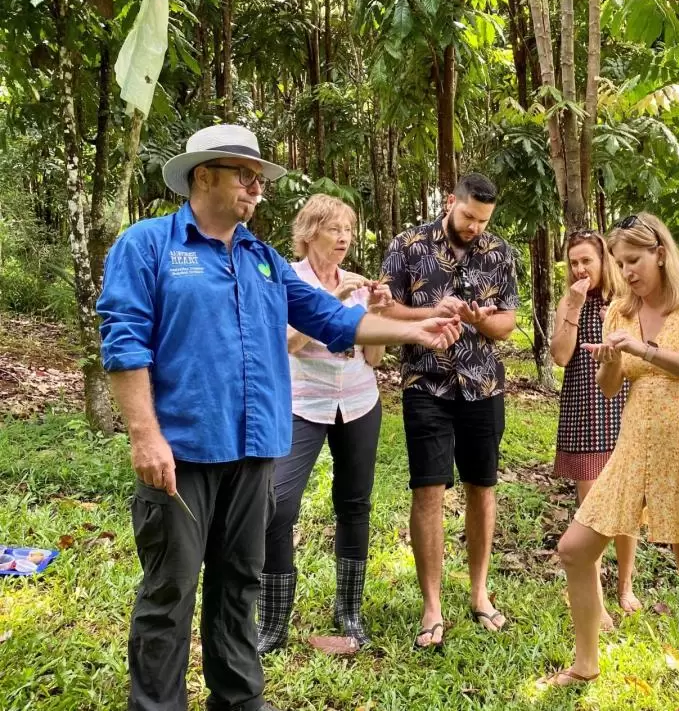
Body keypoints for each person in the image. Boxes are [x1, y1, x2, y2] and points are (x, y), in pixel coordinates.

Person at [97, 124, 460, 711]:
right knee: (170, 590)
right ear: (203, 175)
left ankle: (238, 700)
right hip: (181, 452)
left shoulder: (265, 262)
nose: (256, 188)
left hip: (255, 449)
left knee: (239, 584)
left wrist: (413, 328)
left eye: (260, 179)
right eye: (245, 175)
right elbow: (124, 341)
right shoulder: (149, 245)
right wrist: (144, 435)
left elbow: (333, 320)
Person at [542, 213, 679, 711]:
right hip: (633, 445)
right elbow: (612, 386)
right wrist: (610, 361)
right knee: (574, 550)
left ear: (660, 253)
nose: (627, 272)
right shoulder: (620, 312)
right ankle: (586, 662)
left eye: (634, 261)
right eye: (621, 263)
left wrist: (647, 351)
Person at [379, 173, 519, 649]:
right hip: (426, 384)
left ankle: (480, 593)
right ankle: (432, 605)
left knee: (483, 489)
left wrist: (482, 319)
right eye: (468, 217)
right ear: (449, 202)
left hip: (483, 386)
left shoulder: (500, 253)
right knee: (429, 491)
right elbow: (385, 311)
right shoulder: (407, 245)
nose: (475, 227)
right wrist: (433, 313)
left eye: (482, 221)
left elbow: (508, 322)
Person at [257, 194, 390, 654]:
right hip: (302, 404)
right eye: (335, 229)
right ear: (309, 232)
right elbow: (286, 344)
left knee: (354, 504)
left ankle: (348, 612)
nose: (344, 238)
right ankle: (272, 623)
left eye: (348, 230)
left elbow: (374, 357)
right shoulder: (288, 280)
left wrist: (378, 313)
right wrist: (329, 303)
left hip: (358, 402)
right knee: (277, 505)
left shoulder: (359, 284)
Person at [550, 229, 637, 630]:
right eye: (574, 263)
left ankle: (625, 586)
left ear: (604, 261)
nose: (581, 269)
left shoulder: (627, 302)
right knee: (593, 509)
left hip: (624, 404)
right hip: (585, 406)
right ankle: (597, 601)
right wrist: (574, 304)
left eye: (587, 260)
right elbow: (561, 356)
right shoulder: (570, 301)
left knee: (628, 505)